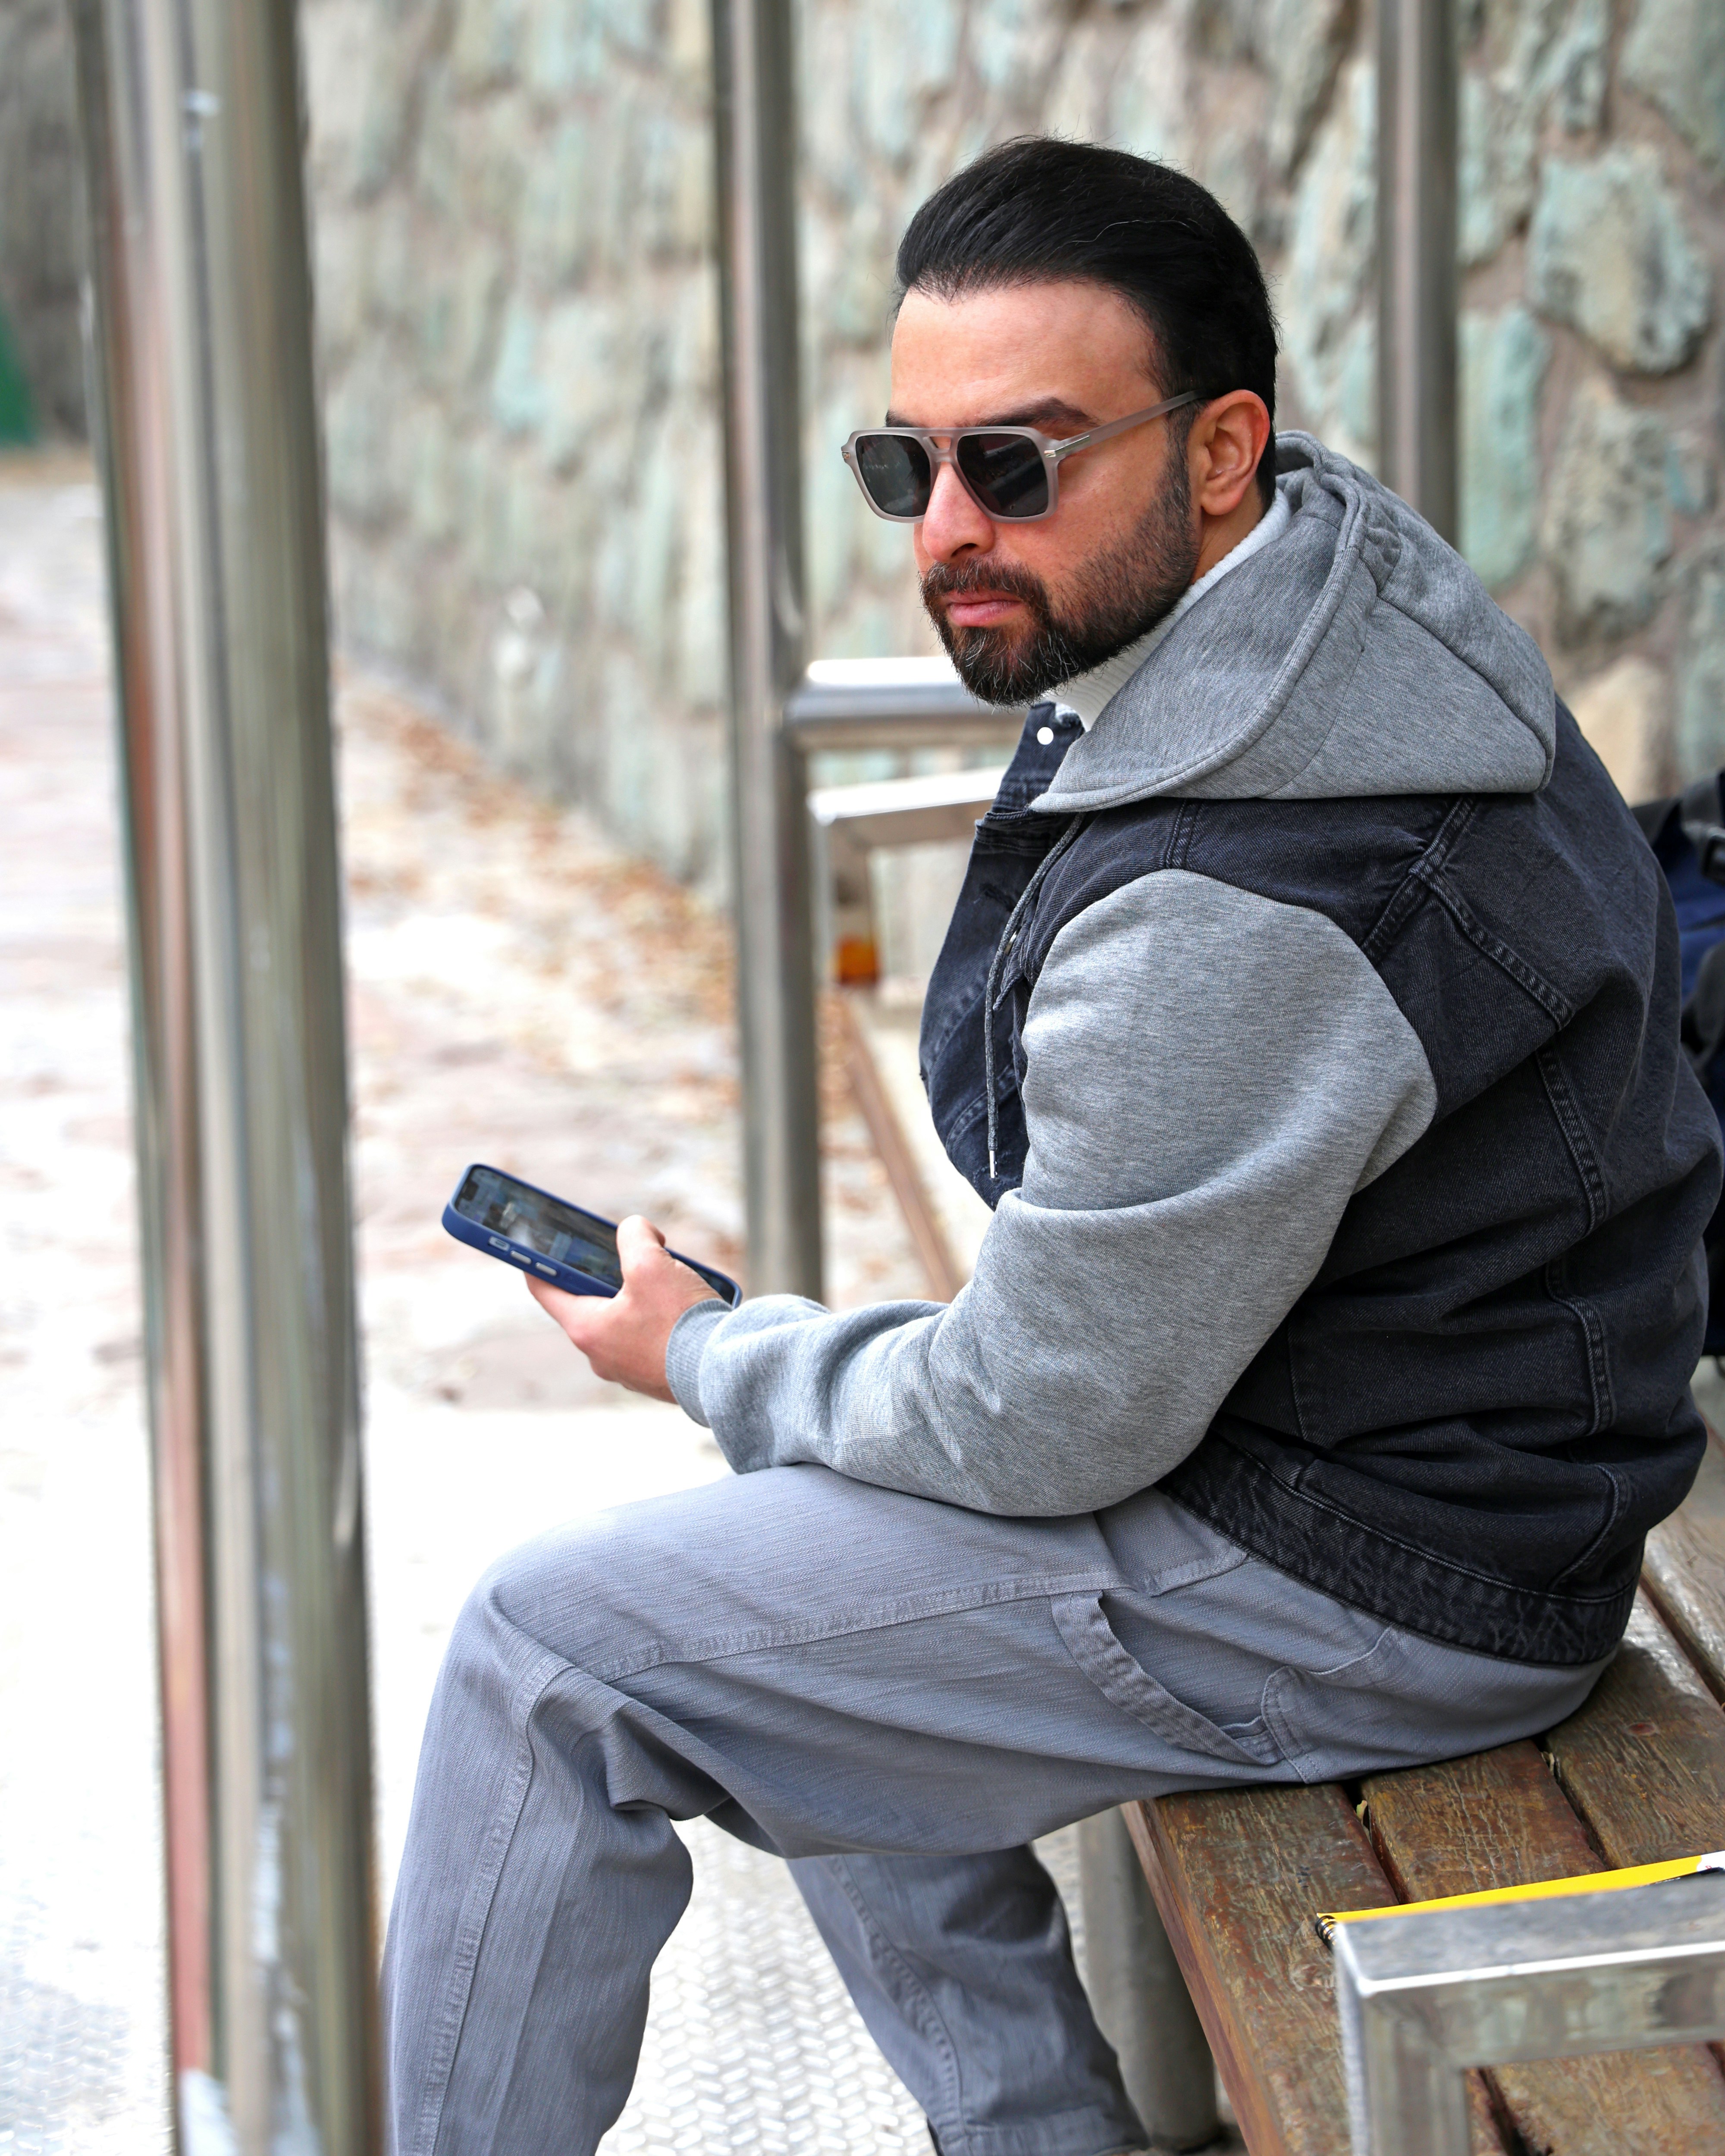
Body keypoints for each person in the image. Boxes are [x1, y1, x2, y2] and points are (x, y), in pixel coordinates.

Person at [383, 139, 1721, 2156]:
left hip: (1383, 1571)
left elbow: (1038, 1425)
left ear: (1217, 449)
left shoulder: (1248, 885)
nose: (944, 531)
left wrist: (709, 1350)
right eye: (900, 465)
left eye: (1015, 463)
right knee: (776, 1568)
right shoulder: (1334, 599)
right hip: (1440, 1461)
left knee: (559, 1653)